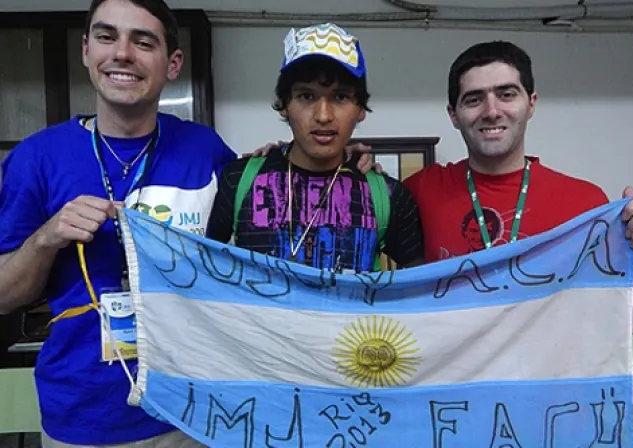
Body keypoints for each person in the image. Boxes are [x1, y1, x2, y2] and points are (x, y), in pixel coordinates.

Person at [0, 0, 233, 446]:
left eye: (143, 42)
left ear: (172, 63)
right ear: (86, 50)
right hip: (83, 417)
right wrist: (46, 239)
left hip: (192, 413)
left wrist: (324, 166)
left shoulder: (205, 150)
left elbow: (256, 226)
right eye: (107, 37)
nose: (123, 53)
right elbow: (5, 296)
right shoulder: (37, 157)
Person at [401, 40, 633, 331]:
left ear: (531, 103)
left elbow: (606, 329)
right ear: (453, 115)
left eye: (506, 94)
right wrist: (354, 167)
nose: (491, 111)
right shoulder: (418, 191)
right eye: (474, 99)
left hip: (551, 375)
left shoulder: (585, 203)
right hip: (452, 374)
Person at [207, 23, 424, 272]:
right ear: (285, 105)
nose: (323, 116)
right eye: (307, 96)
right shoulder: (238, 180)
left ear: (361, 110)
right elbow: (200, 271)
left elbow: (419, 292)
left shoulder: (388, 196)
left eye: (341, 97)